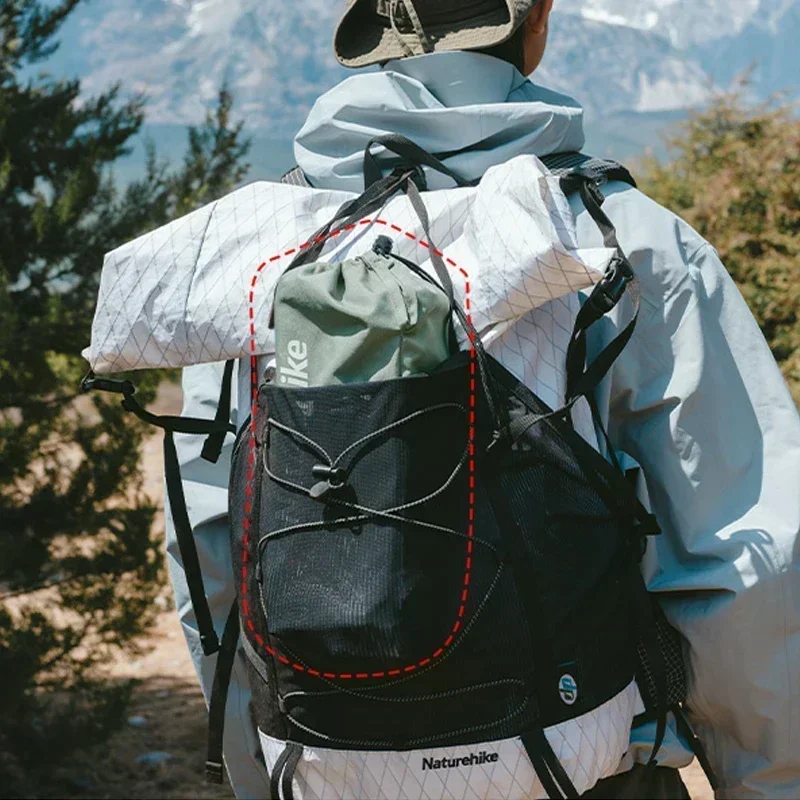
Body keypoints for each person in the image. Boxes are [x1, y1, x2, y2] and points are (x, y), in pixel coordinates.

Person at [167, 1, 800, 797]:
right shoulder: (622, 236)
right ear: (534, 21)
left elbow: (209, 554)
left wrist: (259, 772)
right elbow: (745, 561)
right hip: (590, 771)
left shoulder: (256, 260)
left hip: (327, 764)